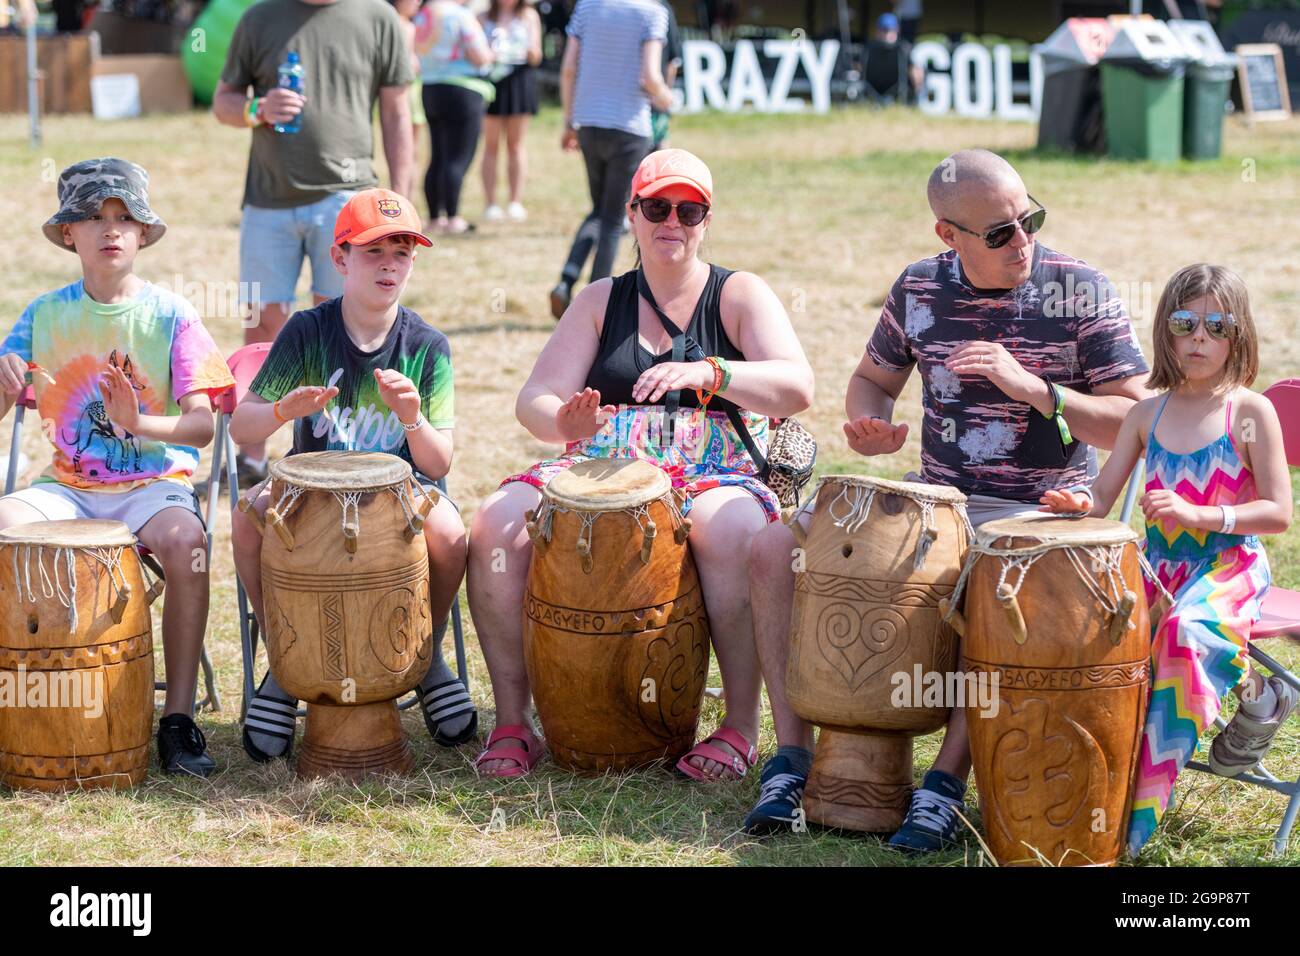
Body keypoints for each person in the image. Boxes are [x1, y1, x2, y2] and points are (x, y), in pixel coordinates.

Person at [745, 148, 1151, 845]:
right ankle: (791, 758)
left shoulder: (1078, 289)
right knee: (772, 549)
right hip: (933, 501)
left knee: (996, 585)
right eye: (998, 232)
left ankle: (943, 785)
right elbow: (872, 378)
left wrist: (1036, 389)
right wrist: (871, 423)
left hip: (1041, 513)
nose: (1021, 241)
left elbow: (1135, 420)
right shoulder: (920, 287)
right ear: (948, 235)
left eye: (1029, 220)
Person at [469, 149, 814, 777]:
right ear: (631, 213)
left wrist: (714, 371)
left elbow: (796, 387)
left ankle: (738, 728)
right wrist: (561, 422)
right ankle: (514, 723)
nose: (671, 221)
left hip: (715, 467)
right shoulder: (601, 299)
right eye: (656, 207)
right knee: (496, 525)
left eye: (688, 210)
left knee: (734, 529)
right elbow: (534, 398)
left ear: (707, 220)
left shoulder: (738, 293)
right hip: (600, 462)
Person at [1041, 264, 1294, 857]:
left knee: (1181, 631)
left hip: (1230, 566)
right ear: (1167, 332)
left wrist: (1203, 516)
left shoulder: (1250, 411)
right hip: (1159, 569)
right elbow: (1102, 500)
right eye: (1185, 323)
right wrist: (1076, 501)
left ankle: (1137, 818)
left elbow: (1278, 513)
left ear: (1238, 334)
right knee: (1097, 641)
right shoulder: (1145, 414)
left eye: (1215, 325)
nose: (1199, 338)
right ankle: (1094, 786)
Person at [0, 159, 236, 775]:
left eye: (125, 218)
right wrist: (3, 390)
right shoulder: (43, 315)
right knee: (2, 529)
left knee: (188, 545)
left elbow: (202, 427)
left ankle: (178, 719)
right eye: (94, 218)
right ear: (68, 234)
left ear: (142, 233)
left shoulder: (172, 315)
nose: (111, 229)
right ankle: (18, 704)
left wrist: (137, 426)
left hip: (151, 485)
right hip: (68, 487)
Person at [230, 189, 475, 762]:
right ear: (339, 259)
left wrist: (412, 419)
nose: (390, 263)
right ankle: (284, 661)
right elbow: (243, 427)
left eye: (403, 251)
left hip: (402, 493)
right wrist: (284, 411)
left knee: (452, 536)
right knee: (247, 522)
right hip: (310, 491)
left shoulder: (427, 346)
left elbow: (439, 465)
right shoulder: (306, 332)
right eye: (373, 251)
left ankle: (423, 653)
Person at [212, 0, 415, 490]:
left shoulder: (378, 17)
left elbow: (395, 111)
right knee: (262, 322)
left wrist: (400, 199)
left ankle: (336, 451)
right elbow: (223, 101)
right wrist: (256, 110)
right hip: (269, 200)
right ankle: (254, 457)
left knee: (344, 324)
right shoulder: (259, 18)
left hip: (351, 199)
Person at [548, 0, 674, 320]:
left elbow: (568, 69)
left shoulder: (588, 7)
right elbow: (649, 76)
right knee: (612, 218)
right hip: (629, 127)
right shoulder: (652, 13)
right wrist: (669, 99)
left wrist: (568, 120)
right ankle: (597, 302)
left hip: (589, 122)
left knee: (599, 210)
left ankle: (566, 280)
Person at [416, 0, 495, 235]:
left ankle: (433, 217)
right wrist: (493, 55)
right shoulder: (460, 15)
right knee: (458, 157)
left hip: (430, 88)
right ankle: (452, 217)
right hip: (463, 90)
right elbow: (479, 55)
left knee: (438, 155)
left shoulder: (424, 14)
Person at [481, 0, 543, 222]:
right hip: (492, 82)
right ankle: (490, 203)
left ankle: (515, 202)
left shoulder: (529, 15)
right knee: (491, 145)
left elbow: (537, 55)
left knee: (516, 145)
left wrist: (527, 50)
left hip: (519, 80)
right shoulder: (483, 16)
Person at [391, 0, 430, 154]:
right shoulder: (393, 23)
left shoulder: (413, 24)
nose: (417, 2)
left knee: (413, 144)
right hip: (402, 88)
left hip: (415, 85)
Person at [650, 0, 682, 150]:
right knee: (660, 156)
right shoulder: (662, 8)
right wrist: (664, 92)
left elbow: (673, 61)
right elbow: (673, 61)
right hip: (655, 95)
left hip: (630, 103)